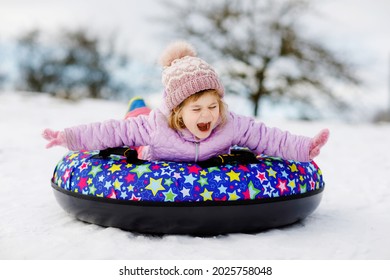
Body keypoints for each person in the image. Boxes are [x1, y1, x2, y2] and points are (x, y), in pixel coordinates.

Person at [42, 41, 329, 162]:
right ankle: (136, 104)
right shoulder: (156, 126)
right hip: (149, 145)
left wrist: (305, 147)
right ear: (179, 111)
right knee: (132, 124)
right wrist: (67, 137)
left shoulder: (230, 125)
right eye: (197, 109)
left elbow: (267, 137)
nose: (208, 115)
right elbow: (108, 132)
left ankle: (139, 105)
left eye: (213, 106)